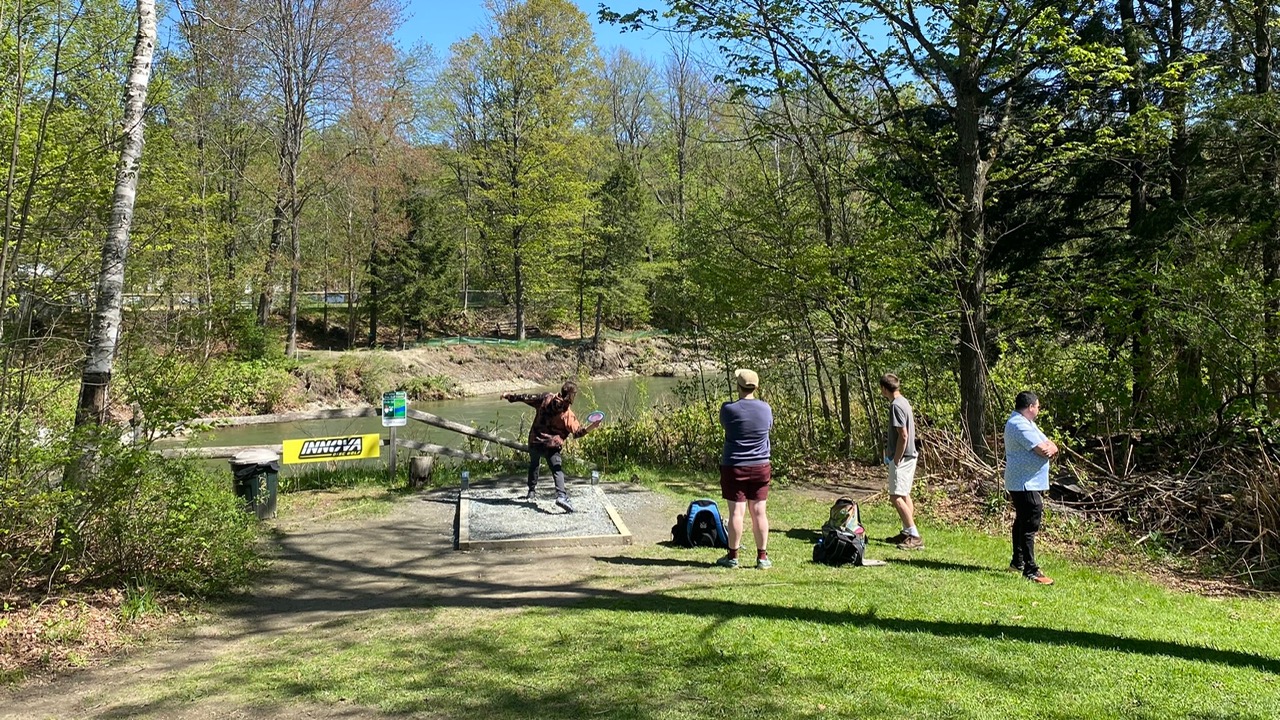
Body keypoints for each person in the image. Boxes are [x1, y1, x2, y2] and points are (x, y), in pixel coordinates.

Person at [501, 381, 601, 513]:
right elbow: (578, 432)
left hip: (535, 440)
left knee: (534, 464)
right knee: (557, 470)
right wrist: (592, 426)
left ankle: (531, 492)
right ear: (571, 396)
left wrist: (509, 396)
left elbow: (526, 397)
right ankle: (561, 496)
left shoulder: (545, 398)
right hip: (551, 445)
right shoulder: (567, 414)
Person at [715, 369, 774, 569]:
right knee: (759, 512)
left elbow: (725, 426)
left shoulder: (728, 409)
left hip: (734, 466)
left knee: (736, 513)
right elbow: (768, 427)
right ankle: (762, 557)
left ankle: (733, 557)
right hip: (761, 466)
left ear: (738, 387)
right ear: (756, 387)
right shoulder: (766, 409)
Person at [1004, 390, 1058, 585]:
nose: (1039, 409)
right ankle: (1031, 569)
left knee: (1022, 520)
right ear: (1030, 407)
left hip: (1026, 481)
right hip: (1024, 482)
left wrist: (1052, 447)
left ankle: (1017, 562)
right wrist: (1050, 449)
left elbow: (1050, 444)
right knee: (1030, 520)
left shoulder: (1027, 424)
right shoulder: (1018, 424)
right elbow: (1044, 449)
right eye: (1038, 406)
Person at [879, 373, 922, 550]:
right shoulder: (904, 401)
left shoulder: (896, 406)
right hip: (910, 455)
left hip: (903, 457)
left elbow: (903, 435)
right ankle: (906, 532)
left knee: (895, 496)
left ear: (884, 388)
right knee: (904, 494)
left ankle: (914, 536)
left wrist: (895, 458)